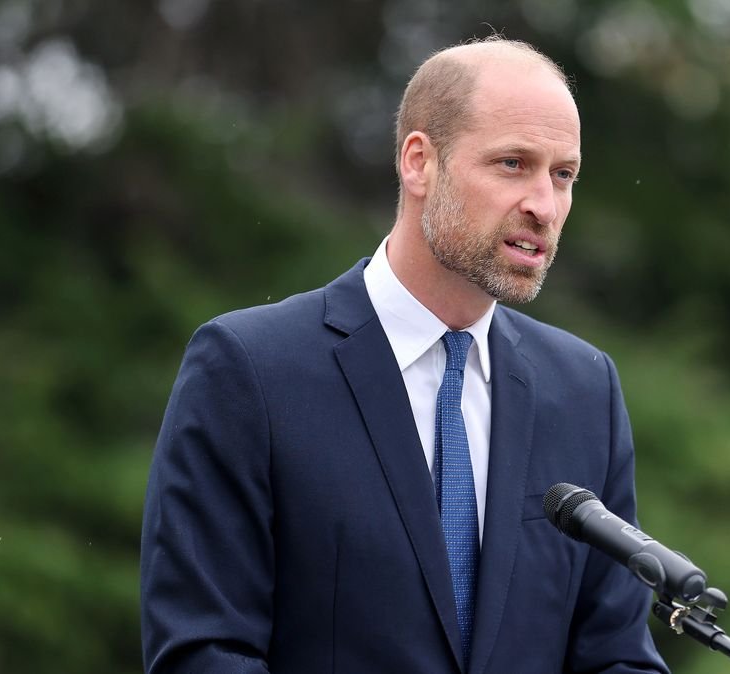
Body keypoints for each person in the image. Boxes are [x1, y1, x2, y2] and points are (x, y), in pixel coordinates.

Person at [140, 36, 669, 674]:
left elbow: (616, 657)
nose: (544, 205)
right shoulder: (250, 369)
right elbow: (203, 651)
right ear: (420, 162)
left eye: (563, 175)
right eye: (512, 164)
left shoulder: (585, 390)